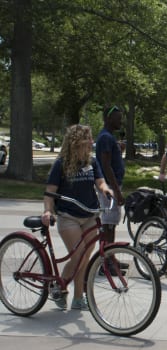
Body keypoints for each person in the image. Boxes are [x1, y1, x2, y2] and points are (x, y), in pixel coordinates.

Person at [41, 124, 113, 310]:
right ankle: (60, 287)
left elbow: (100, 181)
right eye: (88, 139)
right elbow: (50, 192)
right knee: (79, 255)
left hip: (89, 215)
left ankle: (78, 298)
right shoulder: (62, 164)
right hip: (68, 216)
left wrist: (105, 190)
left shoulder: (92, 162)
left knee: (83, 258)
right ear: (77, 142)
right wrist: (48, 211)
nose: (91, 142)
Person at [95, 105, 125, 244]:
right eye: (118, 118)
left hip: (112, 185)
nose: (121, 121)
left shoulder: (108, 137)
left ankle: (109, 257)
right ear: (108, 118)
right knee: (108, 223)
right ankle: (107, 259)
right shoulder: (106, 137)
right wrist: (117, 191)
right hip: (109, 187)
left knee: (111, 223)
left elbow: (111, 160)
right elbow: (106, 166)